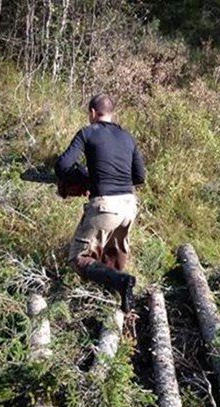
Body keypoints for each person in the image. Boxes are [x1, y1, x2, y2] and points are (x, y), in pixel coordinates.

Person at [55, 94, 146, 312]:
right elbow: (140, 176)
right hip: (129, 206)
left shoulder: (88, 132)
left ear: (93, 113)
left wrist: (83, 177)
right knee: (112, 260)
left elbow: (63, 165)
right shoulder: (127, 137)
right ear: (111, 113)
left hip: (106, 206)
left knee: (79, 258)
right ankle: (112, 308)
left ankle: (122, 283)